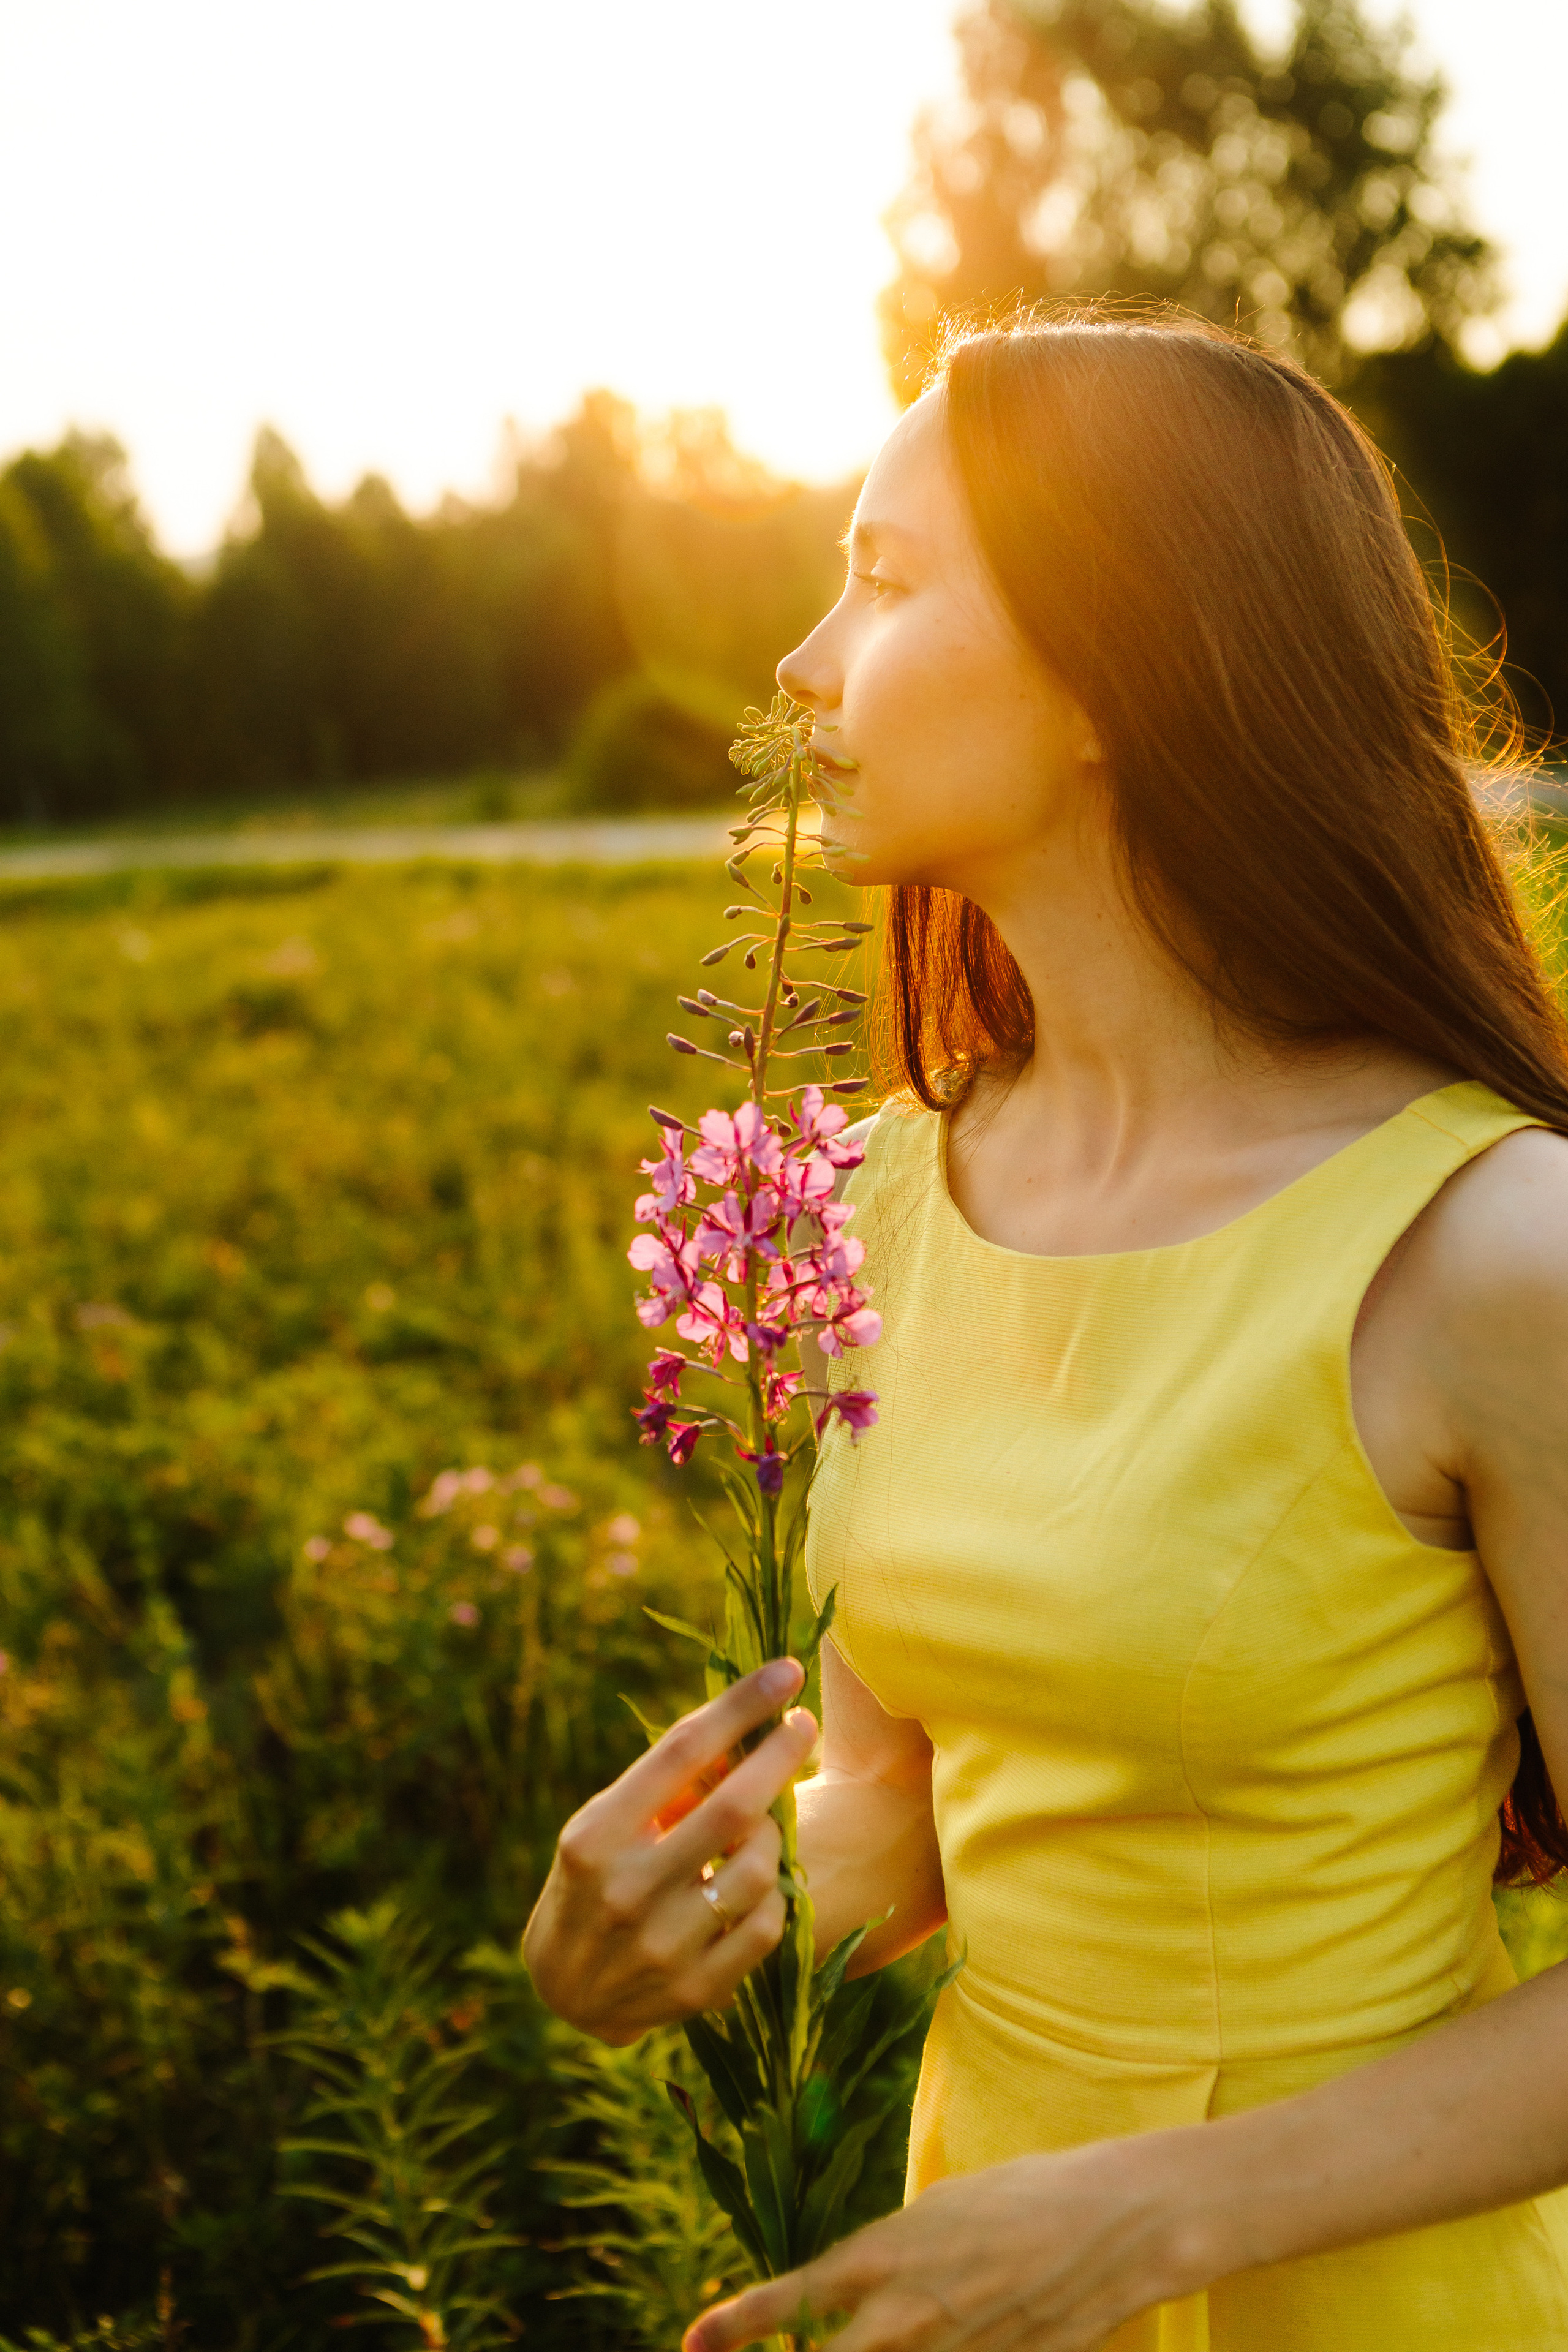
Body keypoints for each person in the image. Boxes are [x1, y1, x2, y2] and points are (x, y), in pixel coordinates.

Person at [523, 314, 1568, 2350]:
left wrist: (1151, 2215)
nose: (806, 662)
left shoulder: (1492, 1246)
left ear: (1122, 664)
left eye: (890, 579)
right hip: (980, 2282)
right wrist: (669, 1917)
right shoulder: (878, 1192)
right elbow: (914, 1810)